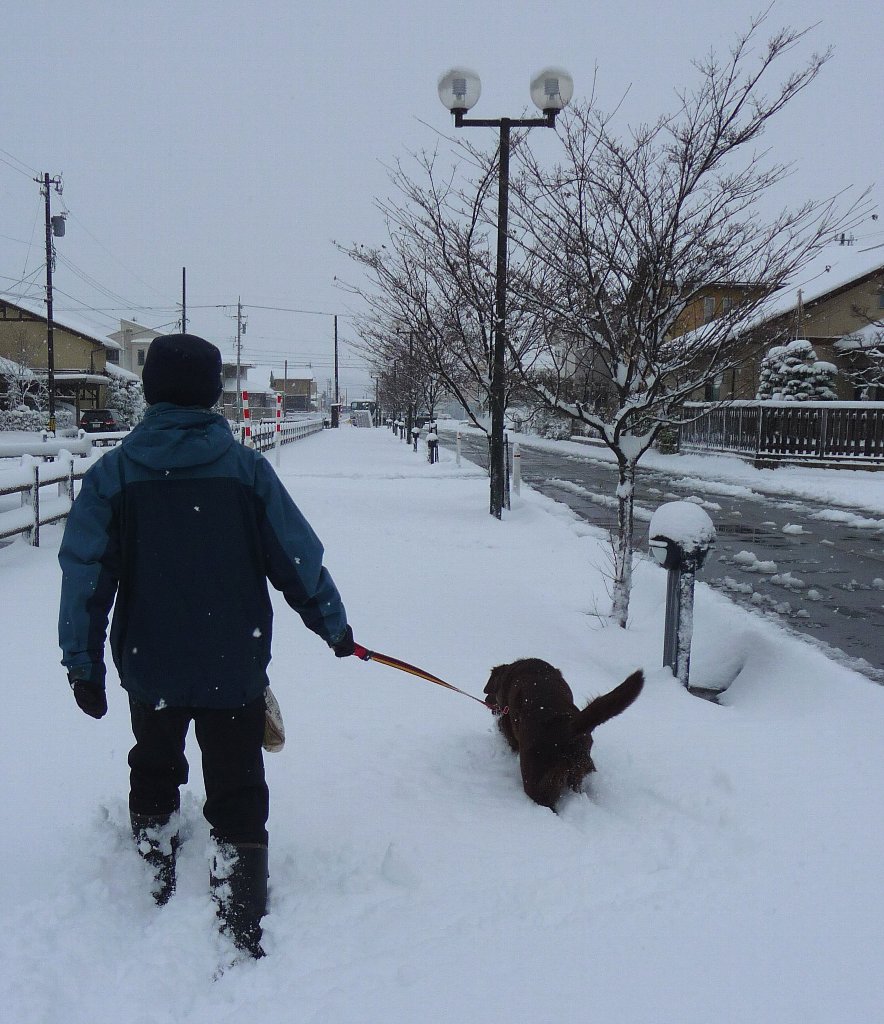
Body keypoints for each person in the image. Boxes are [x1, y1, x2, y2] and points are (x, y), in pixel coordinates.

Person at [58, 333, 360, 959]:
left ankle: (152, 878)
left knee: (154, 766)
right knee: (237, 780)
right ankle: (242, 912)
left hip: (151, 663)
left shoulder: (115, 475)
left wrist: (82, 663)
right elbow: (297, 559)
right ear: (212, 393)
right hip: (233, 663)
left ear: (150, 391)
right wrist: (333, 626)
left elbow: (85, 573)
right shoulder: (246, 472)